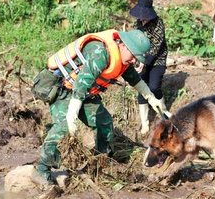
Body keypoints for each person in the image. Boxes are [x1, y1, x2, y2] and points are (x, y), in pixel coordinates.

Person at [35, 29, 170, 184]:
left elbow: (134, 79)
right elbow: (81, 83)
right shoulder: (100, 53)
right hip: (62, 89)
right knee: (63, 127)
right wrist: (72, 115)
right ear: (124, 46)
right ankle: (42, 170)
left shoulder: (124, 59)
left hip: (83, 93)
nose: (134, 61)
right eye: (133, 56)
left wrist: (151, 97)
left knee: (104, 120)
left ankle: (102, 160)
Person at [129, 0, 170, 135]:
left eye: (144, 16)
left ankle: (163, 113)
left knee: (154, 86)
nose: (142, 18)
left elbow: (156, 47)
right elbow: (135, 43)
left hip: (157, 59)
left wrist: (145, 63)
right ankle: (145, 123)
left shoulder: (158, 23)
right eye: (140, 16)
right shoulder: (138, 24)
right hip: (142, 60)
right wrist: (138, 61)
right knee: (141, 88)